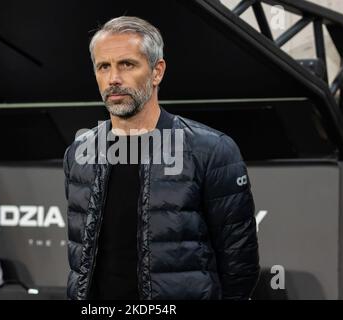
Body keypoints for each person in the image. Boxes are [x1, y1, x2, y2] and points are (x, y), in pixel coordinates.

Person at [63, 16, 259, 300]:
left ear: (157, 72)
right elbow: (80, 256)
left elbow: (239, 265)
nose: (113, 78)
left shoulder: (211, 150)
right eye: (103, 66)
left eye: (127, 64)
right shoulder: (79, 153)